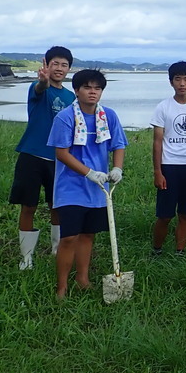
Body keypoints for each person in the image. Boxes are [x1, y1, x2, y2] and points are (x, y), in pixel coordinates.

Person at [47, 69, 127, 299]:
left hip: (98, 188)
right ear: (77, 90)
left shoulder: (108, 116)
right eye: (87, 87)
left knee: (88, 235)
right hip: (70, 187)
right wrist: (88, 172)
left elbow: (118, 144)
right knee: (69, 236)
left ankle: (82, 279)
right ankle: (61, 287)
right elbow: (61, 153)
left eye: (97, 88)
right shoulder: (65, 117)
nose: (92, 92)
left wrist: (117, 168)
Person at [10, 46, 75, 270]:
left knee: (57, 206)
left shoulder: (71, 97)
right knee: (28, 206)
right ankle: (26, 257)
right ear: (46, 65)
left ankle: (57, 250)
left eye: (64, 64)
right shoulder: (38, 88)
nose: (59, 68)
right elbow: (40, 87)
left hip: (59, 159)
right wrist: (43, 81)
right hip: (32, 155)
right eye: (54, 63)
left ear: (69, 69)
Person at [150, 61, 186, 256]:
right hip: (169, 166)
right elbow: (157, 141)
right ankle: (157, 250)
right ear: (171, 82)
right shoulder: (163, 107)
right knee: (165, 215)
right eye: (178, 79)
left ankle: (180, 251)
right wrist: (158, 171)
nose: (182, 83)